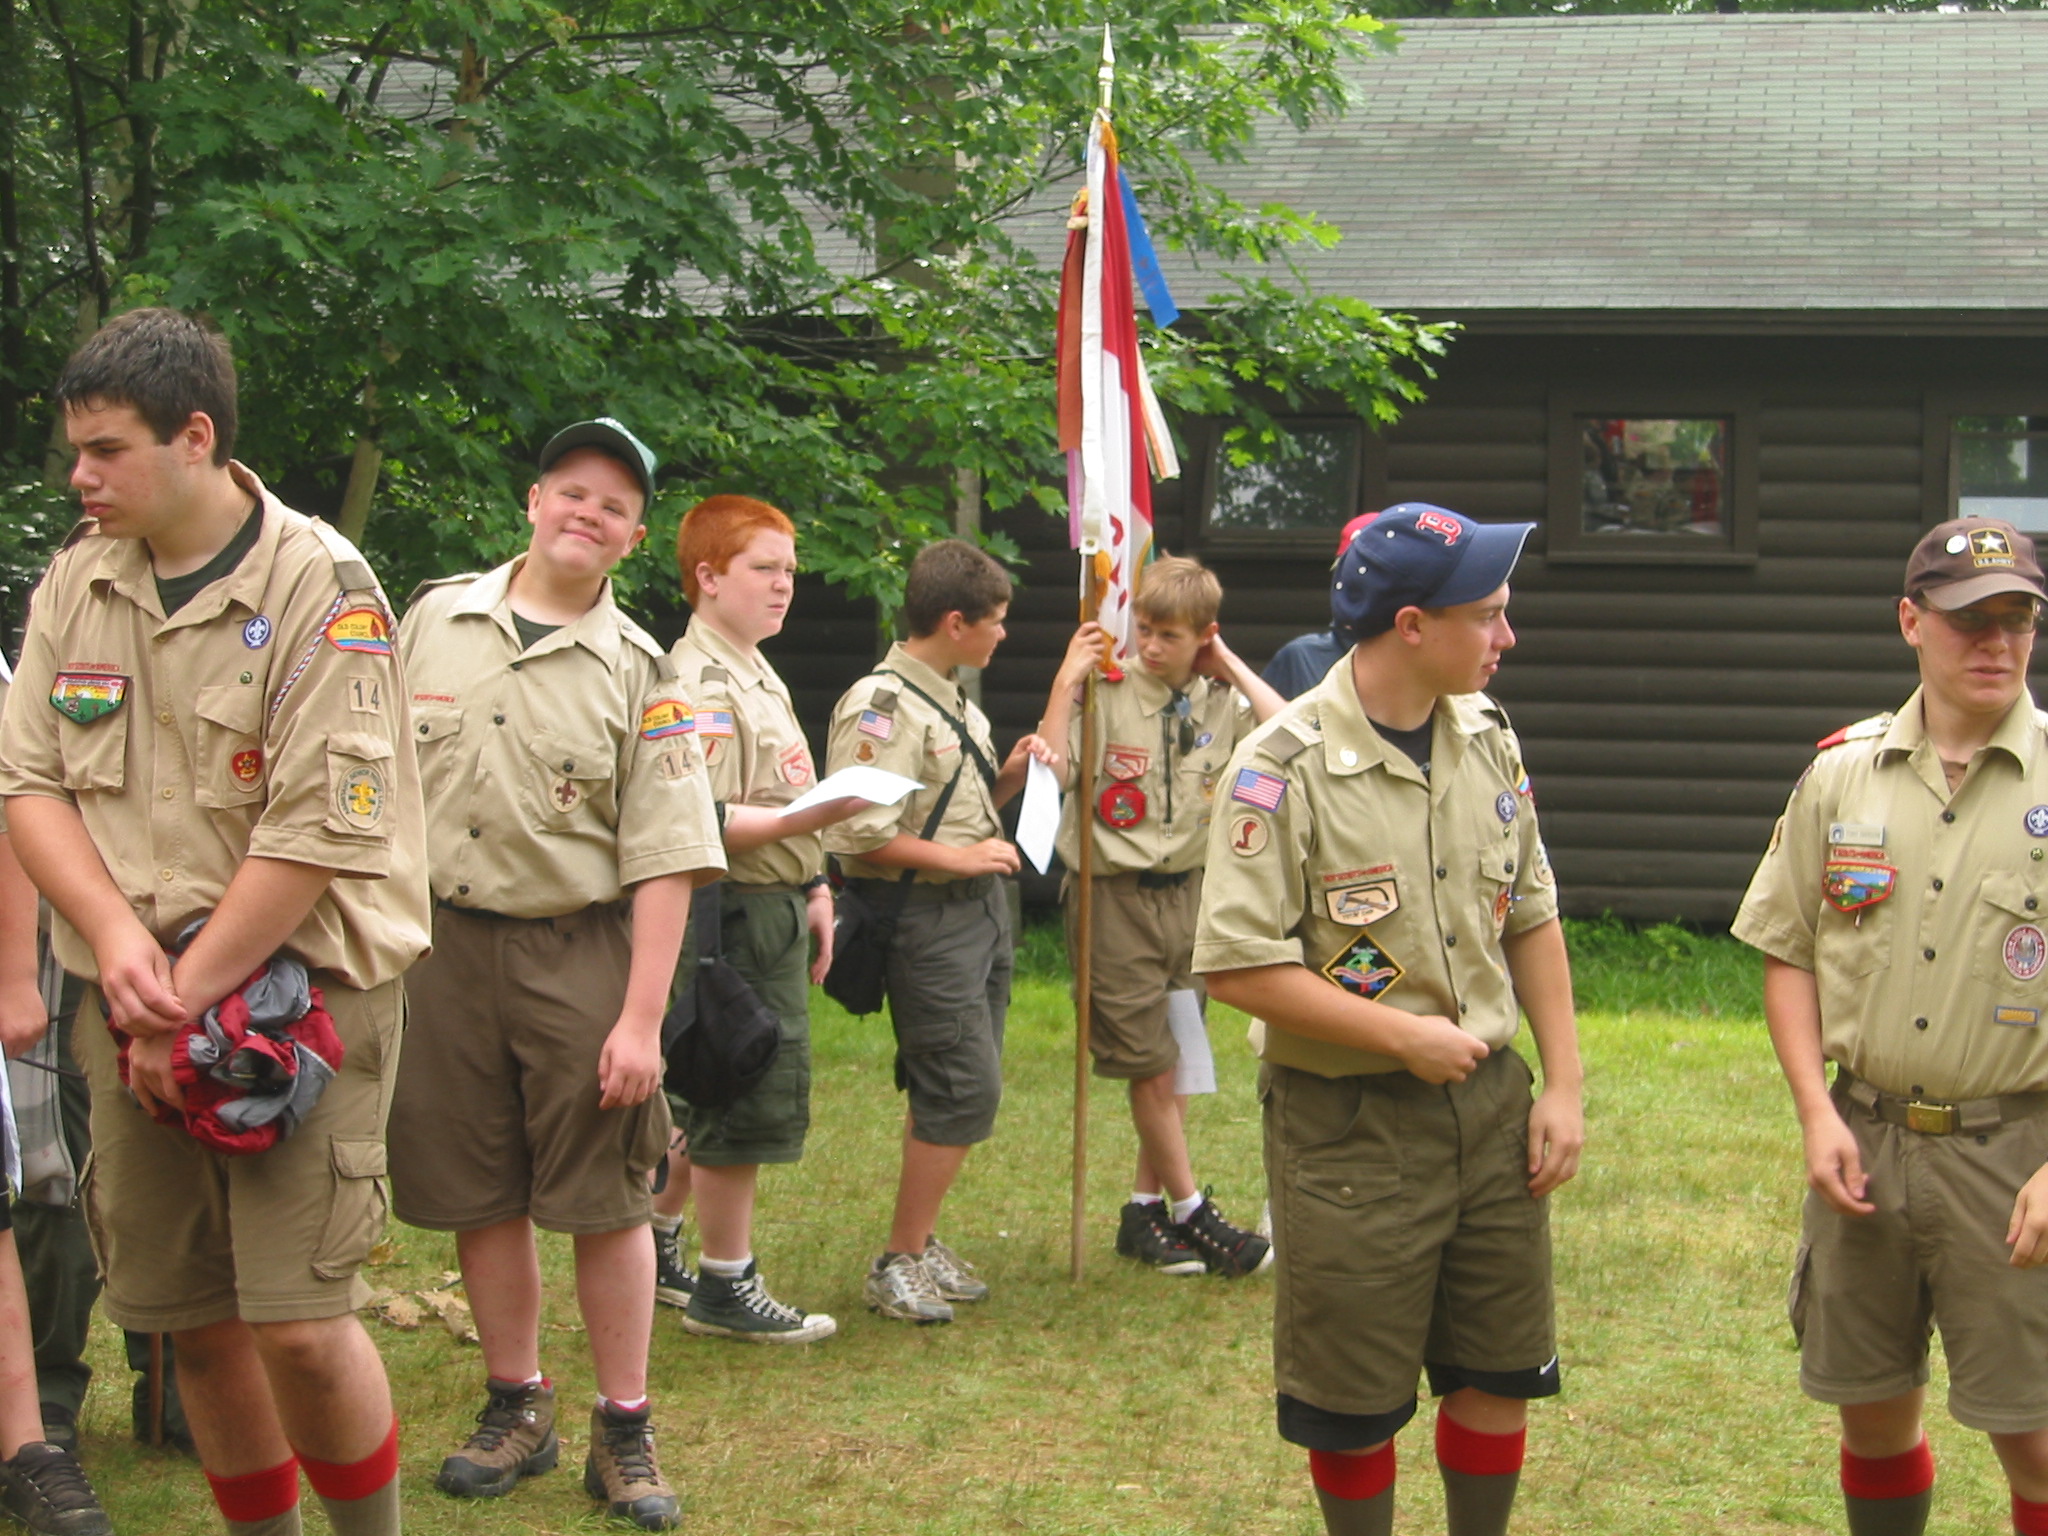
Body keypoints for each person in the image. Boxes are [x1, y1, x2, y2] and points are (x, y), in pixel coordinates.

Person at [0, 306, 429, 1536]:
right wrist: (120, 951)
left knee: (296, 1319)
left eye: (107, 451)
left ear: (196, 438)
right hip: (128, 996)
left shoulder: (323, 589)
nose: (80, 477)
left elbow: (317, 832)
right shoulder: (77, 584)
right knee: (189, 1317)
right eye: (74, 449)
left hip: (302, 1000)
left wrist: (176, 1001)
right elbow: (28, 778)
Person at [1194, 503, 1584, 1536]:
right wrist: (1399, 1035)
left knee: (1497, 1368)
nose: (1507, 638)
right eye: (1489, 616)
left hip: (1492, 1113)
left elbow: (1531, 916)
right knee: (1352, 1406)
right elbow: (1236, 964)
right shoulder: (1281, 766)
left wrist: (1566, 1089)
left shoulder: (1486, 737)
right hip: (1348, 1125)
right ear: (1410, 625)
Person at [385, 419, 723, 1531]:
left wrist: (640, 1021)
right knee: (478, 1187)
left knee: (602, 1196)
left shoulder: (642, 671)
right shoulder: (430, 620)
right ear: (533, 501)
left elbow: (669, 856)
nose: (588, 513)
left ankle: (622, 1428)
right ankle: (514, 1403)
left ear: (630, 539)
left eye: (614, 506)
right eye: (572, 492)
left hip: (575, 950)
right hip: (438, 949)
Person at [1733, 516, 2048, 1536]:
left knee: (2034, 1434)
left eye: (2016, 619)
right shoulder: (1840, 775)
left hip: (2015, 1155)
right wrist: (1813, 1112)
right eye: (1968, 622)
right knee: (1869, 1412)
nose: (1995, 643)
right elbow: (1787, 947)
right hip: (1863, 1142)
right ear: (1910, 622)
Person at [650, 495, 864, 1342]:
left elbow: (775, 790)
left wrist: (815, 886)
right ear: (707, 577)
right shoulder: (698, 679)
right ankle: (724, 1282)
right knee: (741, 1088)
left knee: (715, 1086)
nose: (784, 587)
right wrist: (800, 828)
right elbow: (694, 809)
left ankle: (659, 1236)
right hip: (728, 913)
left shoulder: (752, 664)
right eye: (763, 570)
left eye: (790, 571)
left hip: (774, 899)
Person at [1036, 556, 1286, 1276]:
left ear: (1203, 636)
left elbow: (1293, 738)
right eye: (1142, 630)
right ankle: (1191, 1212)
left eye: (1168, 636)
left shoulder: (1217, 700)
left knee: (1181, 1061)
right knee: (1148, 1063)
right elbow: (1053, 772)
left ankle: (1145, 1214)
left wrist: (1229, 665)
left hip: (1192, 896)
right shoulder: (1106, 693)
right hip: (1115, 897)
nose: (1148, 646)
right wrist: (1064, 681)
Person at [822, 539, 1038, 1324]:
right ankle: (899, 1259)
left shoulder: (951, 697)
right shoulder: (879, 708)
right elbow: (858, 834)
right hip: (925, 917)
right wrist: (959, 858)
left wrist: (1011, 773)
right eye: (996, 621)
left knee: (951, 1079)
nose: (1002, 634)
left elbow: (960, 805)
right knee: (961, 1086)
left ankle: (922, 1240)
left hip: (974, 910)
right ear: (954, 621)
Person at [0, 660, 111, 1535]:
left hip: (136, 938)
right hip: (51, 946)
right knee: (50, 1176)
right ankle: (50, 1397)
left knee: (116, 1172)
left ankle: (175, 1383)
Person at [1262, 512, 1379, 701]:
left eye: (1369, 572)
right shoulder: (1301, 657)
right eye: (1346, 570)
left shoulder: (1417, 663)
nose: (1354, 582)